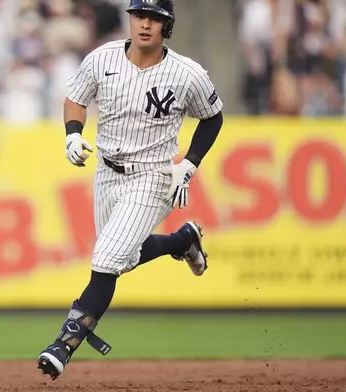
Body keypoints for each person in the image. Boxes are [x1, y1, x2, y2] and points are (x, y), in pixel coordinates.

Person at [37, 0, 224, 380]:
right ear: (130, 18)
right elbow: (75, 97)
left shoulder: (187, 73)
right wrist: (73, 136)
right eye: (140, 15)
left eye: (155, 18)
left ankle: (63, 345)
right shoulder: (102, 58)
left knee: (106, 260)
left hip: (154, 176)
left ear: (166, 25)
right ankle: (181, 241)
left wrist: (188, 165)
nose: (145, 24)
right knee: (123, 255)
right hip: (107, 173)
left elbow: (212, 117)